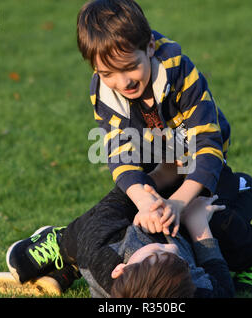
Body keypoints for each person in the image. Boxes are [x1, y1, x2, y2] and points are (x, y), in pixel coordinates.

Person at [0, 171, 252, 297]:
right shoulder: (191, 287)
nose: (167, 245)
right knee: (243, 191)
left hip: (103, 234)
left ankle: (64, 253)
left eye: (157, 252)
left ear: (121, 269)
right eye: (180, 261)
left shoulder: (101, 252)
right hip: (187, 222)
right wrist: (198, 224)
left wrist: (147, 205)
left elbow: (118, 197)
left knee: (69, 243)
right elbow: (221, 284)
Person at [76, 0, 233, 237]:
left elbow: (209, 146)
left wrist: (178, 204)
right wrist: (145, 202)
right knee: (121, 209)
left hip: (199, 166)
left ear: (149, 46)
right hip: (157, 165)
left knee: (213, 220)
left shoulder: (180, 72)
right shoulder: (103, 93)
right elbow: (120, 156)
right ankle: (65, 245)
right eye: (108, 73)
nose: (123, 82)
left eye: (130, 67)